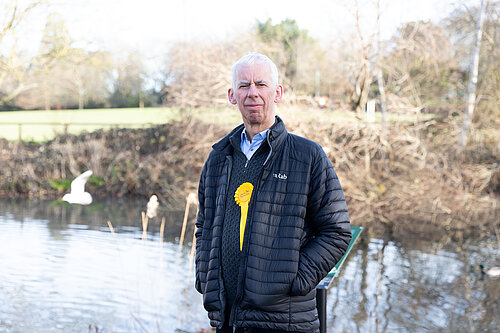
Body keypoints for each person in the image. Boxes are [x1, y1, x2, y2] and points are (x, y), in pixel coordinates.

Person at [195, 52, 351, 333]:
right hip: (227, 320)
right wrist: (204, 278)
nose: (252, 93)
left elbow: (336, 231)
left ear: (277, 92)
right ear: (232, 95)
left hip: (285, 321)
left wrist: (295, 279)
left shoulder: (306, 156)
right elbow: (204, 227)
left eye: (261, 84)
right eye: (244, 86)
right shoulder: (218, 158)